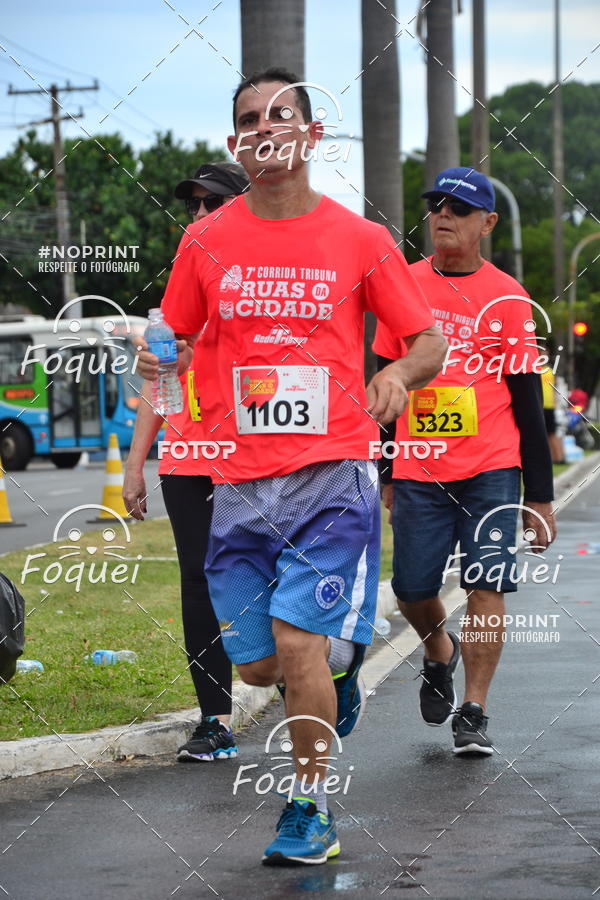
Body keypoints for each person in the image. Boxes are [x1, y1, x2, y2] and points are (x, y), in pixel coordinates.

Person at [137, 68, 447, 865]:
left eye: (283, 115)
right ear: (237, 141)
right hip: (240, 482)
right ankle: (340, 676)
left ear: (311, 136)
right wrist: (155, 358)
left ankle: (309, 808)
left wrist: (396, 376)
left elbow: (428, 341)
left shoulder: (360, 239)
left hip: (332, 473)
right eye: (249, 118)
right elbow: (171, 337)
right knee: (258, 663)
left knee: (298, 645)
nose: (266, 127)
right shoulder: (207, 239)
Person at [374, 167, 557, 756]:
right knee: (410, 586)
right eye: (436, 206)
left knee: (486, 584)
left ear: (488, 222)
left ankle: (474, 709)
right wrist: (383, 468)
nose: (443, 215)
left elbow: (528, 401)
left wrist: (541, 495)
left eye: (457, 207)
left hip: (492, 468)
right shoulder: (402, 284)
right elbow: (375, 385)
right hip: (419, 468)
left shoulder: (508, 297)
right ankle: (438, 651)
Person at [123, 162, 249, 762]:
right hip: (187, 464)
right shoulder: (172, 308)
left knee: (261, 580)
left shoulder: (257, 290)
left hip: (256, 462)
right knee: (198, 585)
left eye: (212, 202)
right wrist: (133, 467)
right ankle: (214, 720)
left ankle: (312, 674)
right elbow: (157, 389)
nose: (199, 215)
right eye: (193, 205)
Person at [541, 367, 565, 464]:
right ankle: (556, 457)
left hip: (547, 406)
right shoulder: (548, 371)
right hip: (546, 406)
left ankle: (558, 458)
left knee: (551, 434)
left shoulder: (547, 371)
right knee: (551, 433)